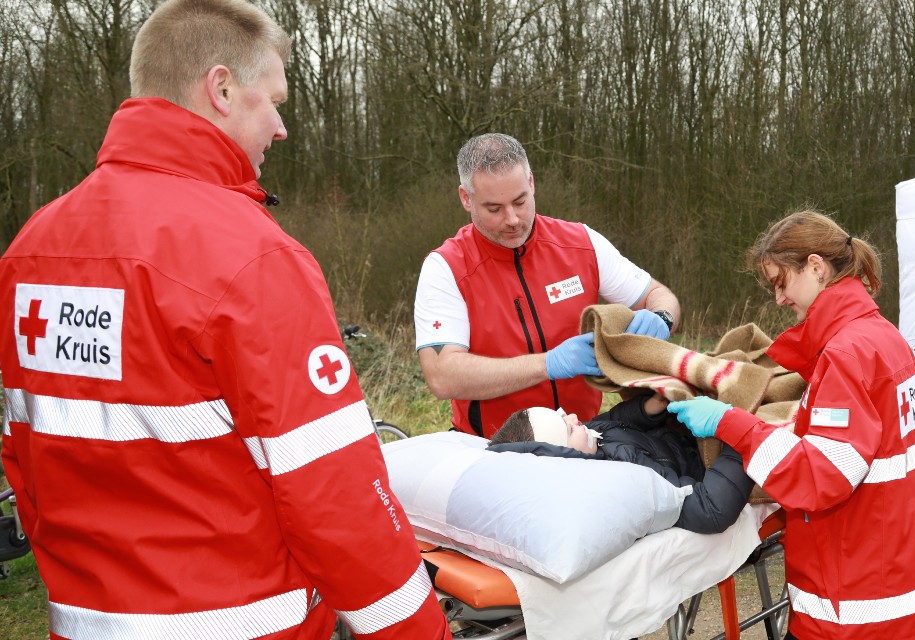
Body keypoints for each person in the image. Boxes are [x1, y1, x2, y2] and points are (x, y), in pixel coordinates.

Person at [0, 2, 450, 638]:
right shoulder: (250, 256)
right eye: (274, 101)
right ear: (222, 89)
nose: (281, 128)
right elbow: (334, 494)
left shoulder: (30, 249)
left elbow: (25, 461)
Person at [667, 211, 915, 640]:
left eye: (781, 282)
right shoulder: (885, 338)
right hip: (892, 588)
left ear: (815, 266)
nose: (779, 299)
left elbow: (821, 474)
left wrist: (730, 422)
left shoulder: (846, 354)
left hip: (851, 610)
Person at [414, 133, 681, 438]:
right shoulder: (446, 268)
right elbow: (442, 376)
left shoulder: (581, 243)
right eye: (494, 209)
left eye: (520, 202)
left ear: (531, 182)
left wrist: (662, 318)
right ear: (466, 198)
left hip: (582, 439)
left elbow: (658, 294)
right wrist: (548, 364)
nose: (512, 219)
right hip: (493, 448)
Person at [487, 393, 755, 534]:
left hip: (682, 437)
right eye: (567, 428)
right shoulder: (622, 481)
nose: (574, 417)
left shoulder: (589, 437)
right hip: (711, 467)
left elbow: (616, 419)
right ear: (566, 461)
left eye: (562, 414)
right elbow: (709, 510)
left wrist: (649, 407)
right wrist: (741, 435)